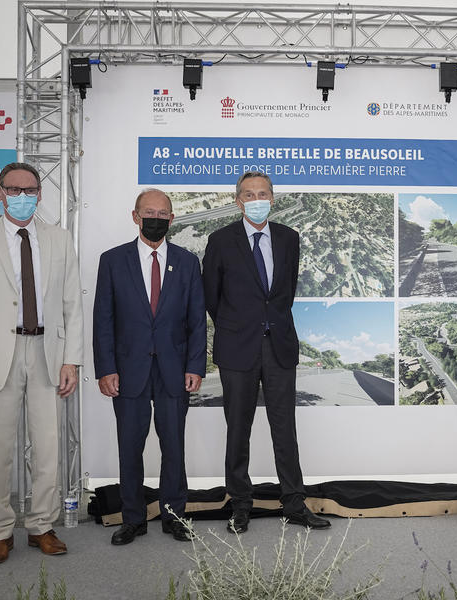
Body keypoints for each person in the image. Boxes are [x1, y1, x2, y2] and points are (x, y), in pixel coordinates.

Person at [0, 162, 83, 564]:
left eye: (31, 190)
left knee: (47, 448)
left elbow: (72, 305)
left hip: (47, 354)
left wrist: (72, 360)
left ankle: (42, 526)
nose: (23, 196)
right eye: (15, 189)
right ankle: (0, 531)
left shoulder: (60, 240)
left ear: (40, 195)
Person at [202, 171, 329, 532]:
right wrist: (240, 324)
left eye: (262, 193)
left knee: (284, 430)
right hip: (237, 347)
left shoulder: (289, 238)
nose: (256, 199)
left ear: (272, 198)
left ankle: (294, 504)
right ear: (238, 200)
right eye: (248, 194)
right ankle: (240, 504)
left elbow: (283, 293)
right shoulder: (221, 240)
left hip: (279, 346)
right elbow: (211, 297)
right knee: (237, 431)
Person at [92, 189, 207, 545]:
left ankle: (175, 516)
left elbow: (196, 320)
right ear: (135, 216)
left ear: (172, 219)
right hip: (127, 372)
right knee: (130, 446)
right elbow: (103, 320)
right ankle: (132, 519)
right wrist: (105, 368)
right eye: (149, 212)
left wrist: (196, 366)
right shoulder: (112, 260)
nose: (156, 218)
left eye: (163, 213)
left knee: (174, 446)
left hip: (175, 370)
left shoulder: (188, 262)